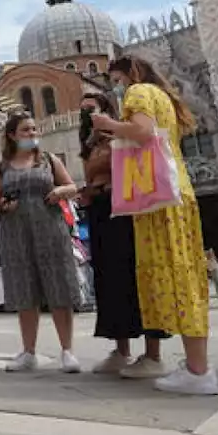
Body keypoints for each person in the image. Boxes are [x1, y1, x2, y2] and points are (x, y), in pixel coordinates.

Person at [92, 55, 218, 395]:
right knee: (185, 275)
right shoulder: (163, 96)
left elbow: (142, 131)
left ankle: (198, 370)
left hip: (157, 197)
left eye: (115, 79)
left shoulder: (139, 92)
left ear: (129, 74)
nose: (115, 87)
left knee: (175, 276)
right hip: (176, 191)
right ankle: (196, 365)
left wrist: (108, 124)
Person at [0, 110, 83, 374]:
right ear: (12, 135)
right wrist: (3, 205)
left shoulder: (48, 161)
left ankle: (67, 351)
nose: (32, 134)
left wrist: (60, 191)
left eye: (34, 130)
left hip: (51, 230)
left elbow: (72, 186)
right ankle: (28, 352)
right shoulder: (1, 166)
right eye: (26, 131)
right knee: (24, 289)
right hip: (16, 234)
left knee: (59, 287)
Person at [77, 92, 164, 376]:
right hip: (101, 210)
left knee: (137, 274)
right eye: (82, 111)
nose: (86, 115)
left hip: (128, 211)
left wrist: (112, 128)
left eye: (91, 109)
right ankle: (121, 350)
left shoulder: (122, 133)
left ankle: (153, 354)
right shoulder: (90, 145)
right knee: (109, 277)